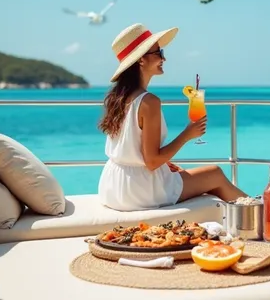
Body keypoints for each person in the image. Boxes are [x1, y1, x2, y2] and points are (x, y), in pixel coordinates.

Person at [97, 22, 247, 211]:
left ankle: (247, 215)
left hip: (113, 187)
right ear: (141, 60)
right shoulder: (149, 101)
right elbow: (151, 162)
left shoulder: (118, 97)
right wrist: (187, 134)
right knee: (215, 173)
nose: (164, 58)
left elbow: (133, 148)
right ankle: (262, 213)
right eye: (158, 53)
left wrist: (165, 164)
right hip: (139, 191)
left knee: (207, 180)